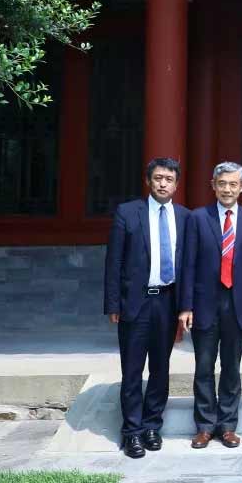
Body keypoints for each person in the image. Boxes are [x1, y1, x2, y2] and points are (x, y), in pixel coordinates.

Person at [103, 158, 190, 459]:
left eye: (169, 179)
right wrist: (113, 303)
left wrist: (186, 305)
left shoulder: (184, 217)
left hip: (168, 302)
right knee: (132, 369)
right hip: (136, 302)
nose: (163, 183)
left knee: (160, 368)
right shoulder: (128, 213)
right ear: (148, 181)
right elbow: (114, 260)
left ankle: (153, 426)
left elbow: (188, 266)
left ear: (176, 184)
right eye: (158, 178)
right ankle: (132, 431)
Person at [179, 161, 242, 450]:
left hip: (239, 303)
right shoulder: (198, 218)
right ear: (213, 186)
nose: (227, 189)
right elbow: (188, 264)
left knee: (231, 367)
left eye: (233, 184)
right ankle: (204, 426)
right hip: (204, 303)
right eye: (222, 183)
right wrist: (186, 306)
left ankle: (227, 426)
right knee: (203, 366)